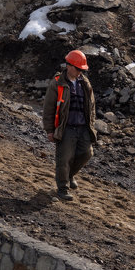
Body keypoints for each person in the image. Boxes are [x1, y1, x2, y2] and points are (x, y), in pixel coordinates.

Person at [42, 49, 98, 200]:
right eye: (78, 69)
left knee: (86, 153)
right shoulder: (57, 83)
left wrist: (91, 124)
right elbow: (49, 108)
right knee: (64, 158)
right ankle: (62, 188)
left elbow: (91, 106)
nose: (80, 72)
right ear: (69, 66)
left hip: (83, 127)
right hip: (66, 128)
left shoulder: (84, 83)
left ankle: (70, 175)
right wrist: (50, 130)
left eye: (82, 69)